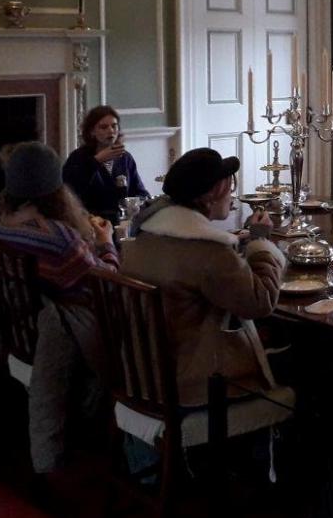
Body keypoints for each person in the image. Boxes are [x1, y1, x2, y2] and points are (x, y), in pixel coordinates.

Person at [0, 141, 119, 474]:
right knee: (126, 330)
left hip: (23, 327)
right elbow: (105, 283)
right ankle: (104, 418)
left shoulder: (3, 223)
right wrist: (107, 244)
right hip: (62, 327)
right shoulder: (58, 236)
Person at [121, 148, 285, 407]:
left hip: (142, 376)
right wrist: (261, 242)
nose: (230, 196)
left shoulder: (143, 237)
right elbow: (261, 301)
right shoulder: (209, 250)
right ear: (210, 195)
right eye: (228, 190)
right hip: (197, 384)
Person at [63, 105, 147, 222]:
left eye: (114, 126)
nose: (111, 131)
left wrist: (135, 203)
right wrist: (96, 161)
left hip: (121, 221)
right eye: (103, 127)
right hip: (91, 221)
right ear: (92, 131)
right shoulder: (78, 157)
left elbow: (141, 192)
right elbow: (71, 191)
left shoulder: (125, 158)